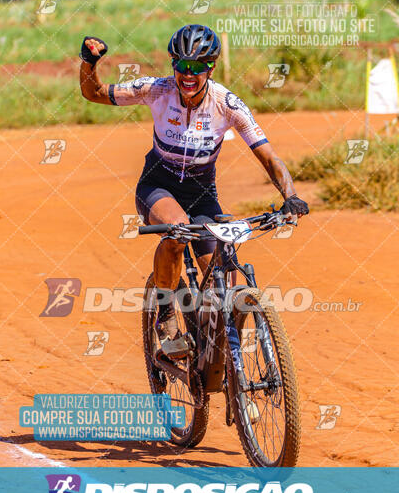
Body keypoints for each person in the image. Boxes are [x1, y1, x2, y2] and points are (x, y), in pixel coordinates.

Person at [79, 24, 309, 357]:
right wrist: (89, 63)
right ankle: (166, 313)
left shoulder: (226, 103)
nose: (188, 75)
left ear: (211, 67)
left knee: (221, 268)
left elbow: (268, 155)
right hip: (158, 185)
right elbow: (94, 93)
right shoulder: (157, 90)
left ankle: (228, 368)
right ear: (173, 65)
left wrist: (290, 196)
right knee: (177, 233)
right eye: (182, 66)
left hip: (202, 193)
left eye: (197, 67)